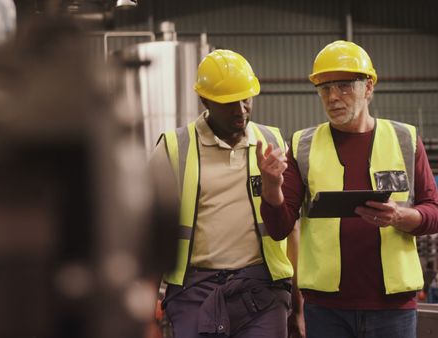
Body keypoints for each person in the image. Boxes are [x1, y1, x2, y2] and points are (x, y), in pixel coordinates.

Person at [258, 40, 438, 338]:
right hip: (327, 308)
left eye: (343, 86)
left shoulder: (405, 139)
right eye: (325, 89)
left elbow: (433, 210)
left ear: (368, 88)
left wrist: (400, 218)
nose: (332, 97)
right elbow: (279, 228)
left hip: (392, 307)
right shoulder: (303, 145)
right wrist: (271, 187)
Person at [150, 49, 302, 338]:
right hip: (195, 291)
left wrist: (299, 305)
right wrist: (148, 316)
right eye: (230, 103)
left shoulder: (273, 142)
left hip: (263, 290)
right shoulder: (173, 149)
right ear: (204, 100)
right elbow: (151, 235)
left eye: (246, 99)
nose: (241, 110)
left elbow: (291, 228)